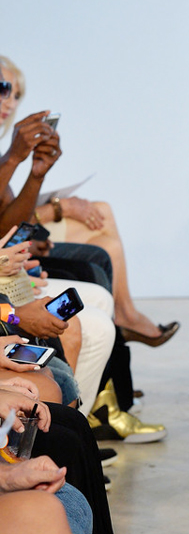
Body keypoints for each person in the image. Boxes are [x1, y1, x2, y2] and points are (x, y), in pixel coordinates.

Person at [0, 55, 178, 346]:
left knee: (103, 245)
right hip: (8, 272)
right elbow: (8, 227)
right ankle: (124, 324)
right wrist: (56, 205)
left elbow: (8, 224)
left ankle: (123, 330)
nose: (9, 101)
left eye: (16, 94)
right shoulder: (6, 154)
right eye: (4, 89)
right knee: (97, 265)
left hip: (11, 261)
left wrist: (36, 174)